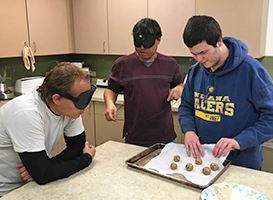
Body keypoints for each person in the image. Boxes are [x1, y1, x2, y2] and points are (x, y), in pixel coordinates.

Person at [178, 15, 273, 170]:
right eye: (193, 54)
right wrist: (189, 130)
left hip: (242, 165)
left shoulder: (251, 71)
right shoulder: (195, 72)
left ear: (219, 41)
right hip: (203, 161)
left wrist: (239, 141)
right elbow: (186, 107)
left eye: (203, 52)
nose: (199, 59)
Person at [0, 62, 96, 196]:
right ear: (56, 99)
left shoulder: (70, 109)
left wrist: (46, 167)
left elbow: (77, 146)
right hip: (7, 190)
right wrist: (86, 158)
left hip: (34, 184)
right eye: (82, 100)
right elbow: (43, 175)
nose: (86, 107)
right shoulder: (27, 113)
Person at [104, 18, 184, 147]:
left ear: (158, 40)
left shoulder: (170, 64)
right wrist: (110, 104)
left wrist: (180, 88)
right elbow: (111, 89)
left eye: (147, 43)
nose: (141, 47)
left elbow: (179, 84)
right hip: (135, 138)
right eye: (138, 42)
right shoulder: (123, 64)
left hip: (165, 136)